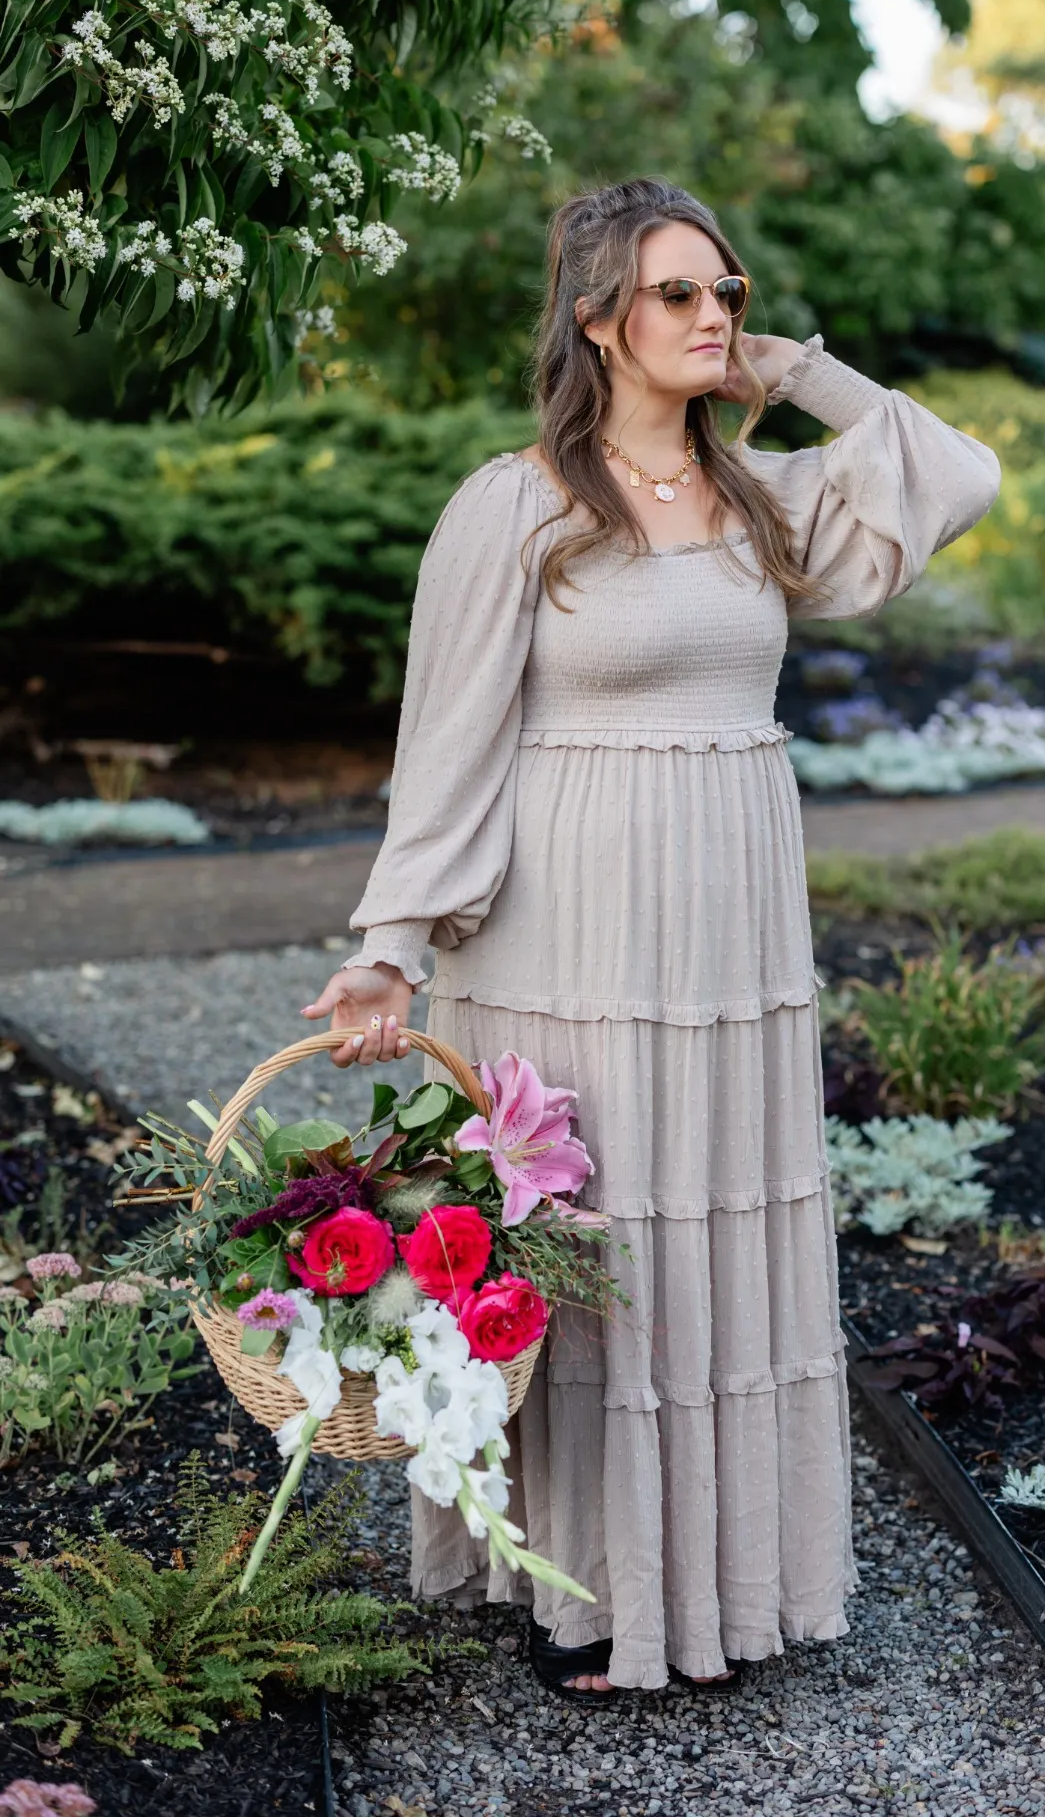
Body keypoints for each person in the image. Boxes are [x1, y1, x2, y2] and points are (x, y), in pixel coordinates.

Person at [301, 177, 1000, 1699]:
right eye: (678, 296)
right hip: (569, 923)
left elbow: (955, 473)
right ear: (600, 317)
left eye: (727, 295)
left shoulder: (760, 495)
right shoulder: (520, 505)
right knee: (598, 1242)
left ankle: (723, 1580)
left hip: (731, 923)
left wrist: (798, 374)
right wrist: (394, 936)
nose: (712, 319)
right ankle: (594, 1590)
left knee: (717, 1229)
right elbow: (449, 738)